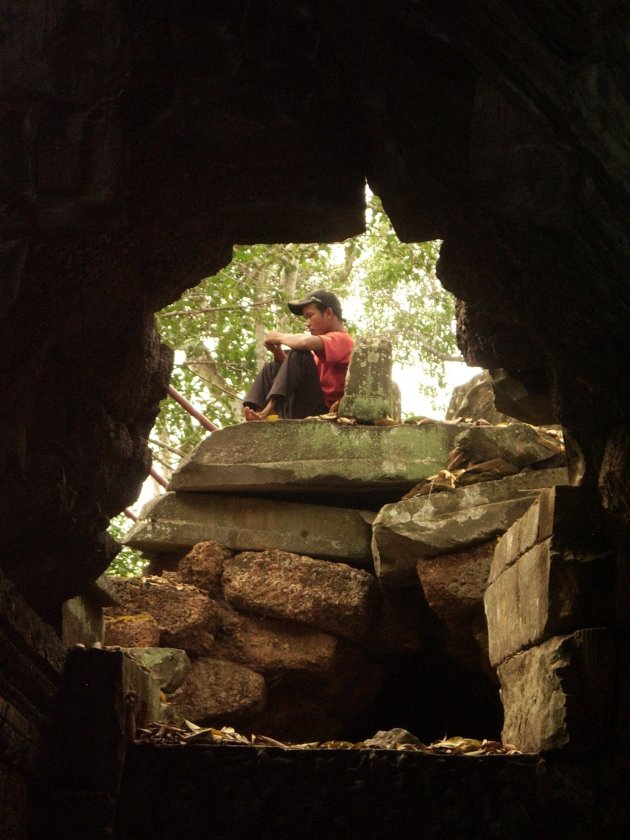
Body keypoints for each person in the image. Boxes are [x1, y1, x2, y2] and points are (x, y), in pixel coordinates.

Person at [243, 289, 354, 421]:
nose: (307, 323)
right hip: (304, 406)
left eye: (310, 316)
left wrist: (280, 337)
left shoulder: (344, 340)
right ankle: (253, 410)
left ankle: (266, 411)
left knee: (299, 353)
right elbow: (295, 374)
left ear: (329, 313)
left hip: (325, 412)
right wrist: (278, 354)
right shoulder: (320, 351)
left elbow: (304, 342)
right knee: (271, 367)